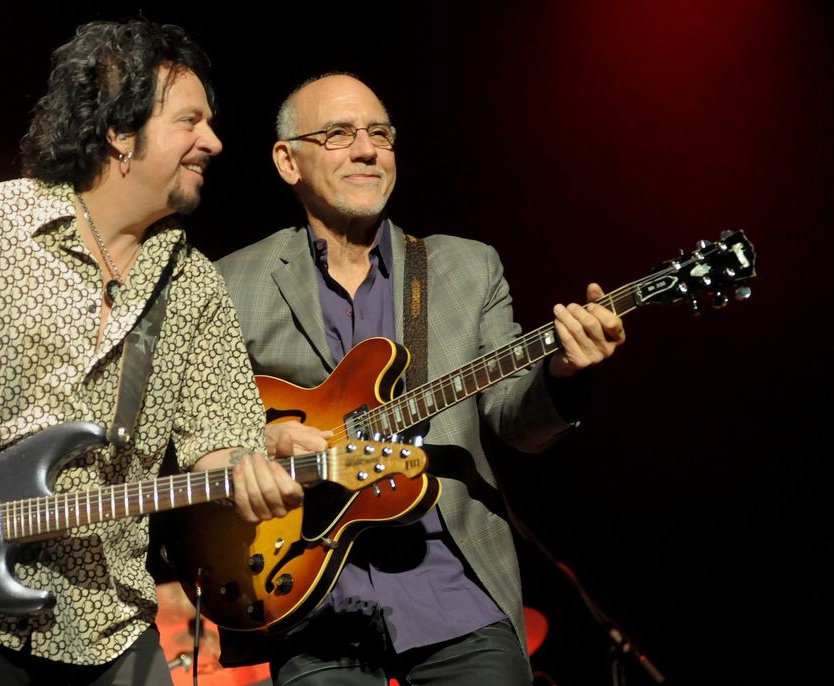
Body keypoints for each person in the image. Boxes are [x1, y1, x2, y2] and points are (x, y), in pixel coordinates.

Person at [0, 20, 300, 686]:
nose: (213, 142)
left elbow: (217, 439)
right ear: (119, 129)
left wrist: (249, 471)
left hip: (113, 614)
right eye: (190, 120)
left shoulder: (192, 283)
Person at [214, 73, 626, 685]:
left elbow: (516, 423)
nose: (366, 149)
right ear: (287, 161)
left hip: (453, 588)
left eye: (380, 133)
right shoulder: (229, 282)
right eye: (338, 134)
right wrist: (266, 442)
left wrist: (561, 371)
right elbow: (193, 431)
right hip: (306, 590)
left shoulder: (465, 265)